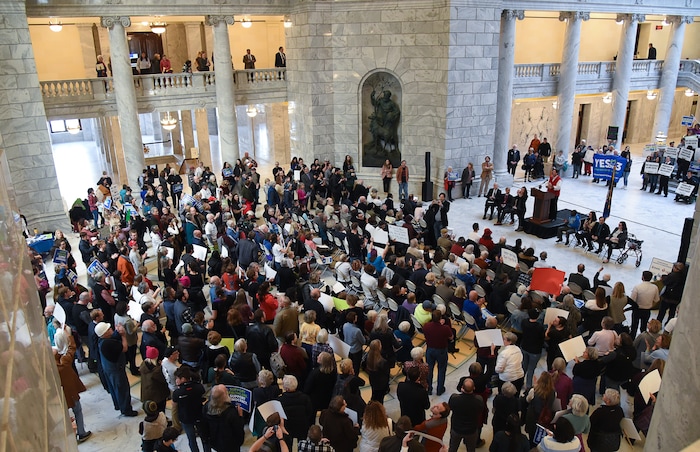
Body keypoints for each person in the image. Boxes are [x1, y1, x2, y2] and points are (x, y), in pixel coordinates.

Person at [53, 328, 92, 444]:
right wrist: (69, 336)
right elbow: (71, 348)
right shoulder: (63, 363)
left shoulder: (51, 367)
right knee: (77, 411)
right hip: (70, 393)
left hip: (59, 396)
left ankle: (71, 435)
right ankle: (81, 432)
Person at [96, 322, 138, 416]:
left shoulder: (102, 341)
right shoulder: (107, 344)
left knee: (115, 388)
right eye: (109, 329)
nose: (111, 329)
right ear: (105, 333)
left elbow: (113, 337)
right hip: (116, 370)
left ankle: (118, 405)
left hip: (109, 369)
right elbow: (124, 348)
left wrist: (117, 331)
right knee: (122, 389)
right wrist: (123, 335)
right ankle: (126, 410)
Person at [172, 367, 208, 452]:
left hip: (186, 418)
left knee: (191, 439)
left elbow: (174, 407)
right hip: (199, 416)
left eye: (177, 378)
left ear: (183, 379)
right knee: (205, 438)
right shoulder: (199, 387)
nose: (176, 380)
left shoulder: (177, 393)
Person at [202, 384, 245, 452]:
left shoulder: (206, 408)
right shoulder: (231, 412)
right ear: (223, 397)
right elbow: (238, 430)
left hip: (215, 442)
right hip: (231, 445)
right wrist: (240, 416)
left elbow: (204, 427)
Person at [448, 377, 484, 452]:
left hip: (456, 428)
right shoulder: (478, 400)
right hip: (471, 430)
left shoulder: (454, 398)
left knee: (452, 448)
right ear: (474, 388)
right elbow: (481, 410)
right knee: (471, 449)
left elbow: (450, 407)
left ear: (462, 388)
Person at [278, 375, 314, 448]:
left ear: (286, 388)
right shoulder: (305, 398)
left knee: (288, 445)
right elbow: (309, 412)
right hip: (302, 425)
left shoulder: (280, 401)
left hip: (287, 427)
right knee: (302, 444)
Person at [423, 311, 453, 396]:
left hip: (430, 350)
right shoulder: (445, 328)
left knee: (429, 370)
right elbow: (451, 337)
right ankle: (440, 389)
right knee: (441, 370)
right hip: (441, 351)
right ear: (440, 318)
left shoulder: (426, 326)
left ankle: (429, 389)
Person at [525, 372, 556, 447]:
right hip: (544, 418)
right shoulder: (553, 392)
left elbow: (527, 400)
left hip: (533, 417)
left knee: (532, 435)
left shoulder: (534, 390)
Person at [630, 271, 660, 338]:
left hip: (637, 310)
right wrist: (651, 305)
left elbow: (632, 300)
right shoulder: (655, 287)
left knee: (634, 327)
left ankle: (632, 340)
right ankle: (643, 339)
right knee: (643, 328)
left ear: (642, 277)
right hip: (647, 310)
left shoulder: (637, 287)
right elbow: (657, 300)